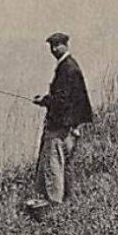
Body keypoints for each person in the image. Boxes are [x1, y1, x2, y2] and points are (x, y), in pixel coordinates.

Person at [29, 31, 93, 208]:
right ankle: (67, 201)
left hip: (60, 127)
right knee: (65, 165)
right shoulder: (70, 65)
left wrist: (44, 101)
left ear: (66, 45)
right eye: (51, 46)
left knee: (54, 165)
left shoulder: (67, 68)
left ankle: (54, 204)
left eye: (57, 45)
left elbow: (62, 100)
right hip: (69, 126)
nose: (54, 49)